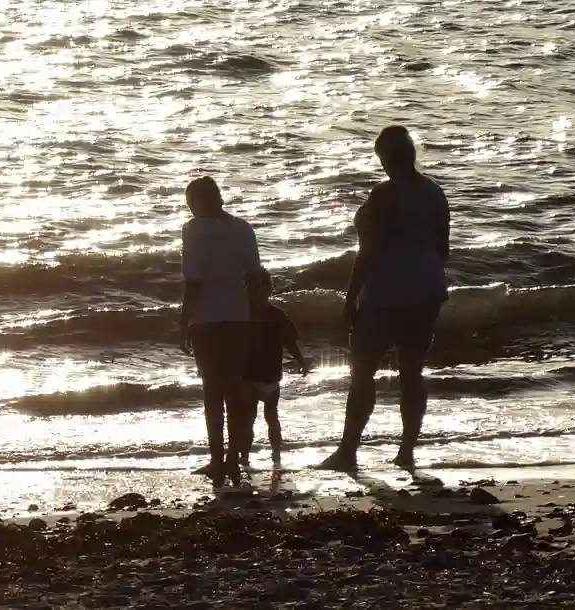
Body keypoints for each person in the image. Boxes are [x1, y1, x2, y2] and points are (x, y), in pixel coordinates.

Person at [319, 125, 450, 472]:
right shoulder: (435, 193)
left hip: (386, 294)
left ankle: (348, 451)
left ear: (388, 158)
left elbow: (369, 251)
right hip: (426, 289)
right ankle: (406, 450)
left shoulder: (385, 194)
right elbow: (443, 248)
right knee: (411, 371)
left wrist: (350, 299)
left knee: (363, 374)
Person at [179, 176, 261, 485]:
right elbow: (254, 277)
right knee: (235, 390)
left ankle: (217, 459)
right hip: (238, 317)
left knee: (212, 392)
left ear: (198, 202)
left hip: (207, 320)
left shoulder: (194, 229)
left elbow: (194, 282)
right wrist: (253, 316)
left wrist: (183, 319)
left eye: (191, 204)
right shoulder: (242, 228)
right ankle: (233, 460)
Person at [237, 266, 309, 468]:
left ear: (269, 289)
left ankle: (275, 454)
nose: (254, 292)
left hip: (268, 376)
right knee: (249, 418)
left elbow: (290, 342)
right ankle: (246, 456)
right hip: (249, 376)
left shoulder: (260, 315)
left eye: (259, 287)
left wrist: (300, 360)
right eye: (251, 287)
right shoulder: (256, 315)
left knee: (270, 417)